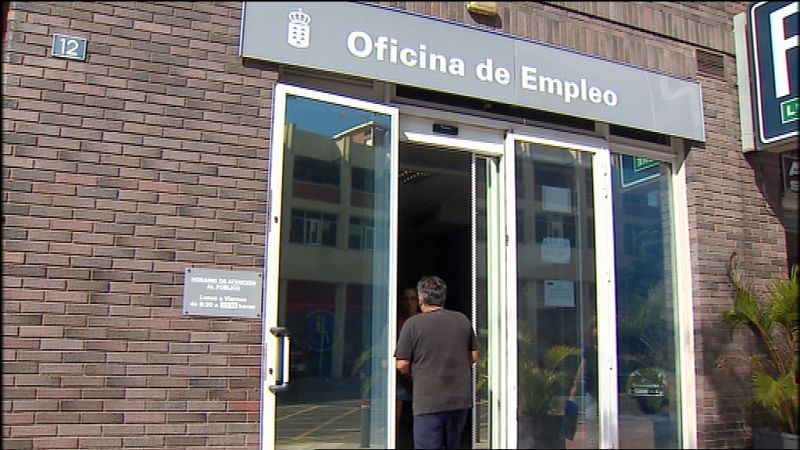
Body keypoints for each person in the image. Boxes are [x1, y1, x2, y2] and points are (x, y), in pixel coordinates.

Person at [395, 276, 478, 449]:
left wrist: (416, 373)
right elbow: (473, 357)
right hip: (459, 401)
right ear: (443, 297)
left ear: (420, 299)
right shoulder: (462, 320)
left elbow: (402, 364)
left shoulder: (413, 324)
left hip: (428, 402)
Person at [396, 286, 419, 446]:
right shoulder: (394, 323)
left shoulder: (424, 322)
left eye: (412, 299)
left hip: (420, 375)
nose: (409, 303)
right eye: (406, 299)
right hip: (400, 375)